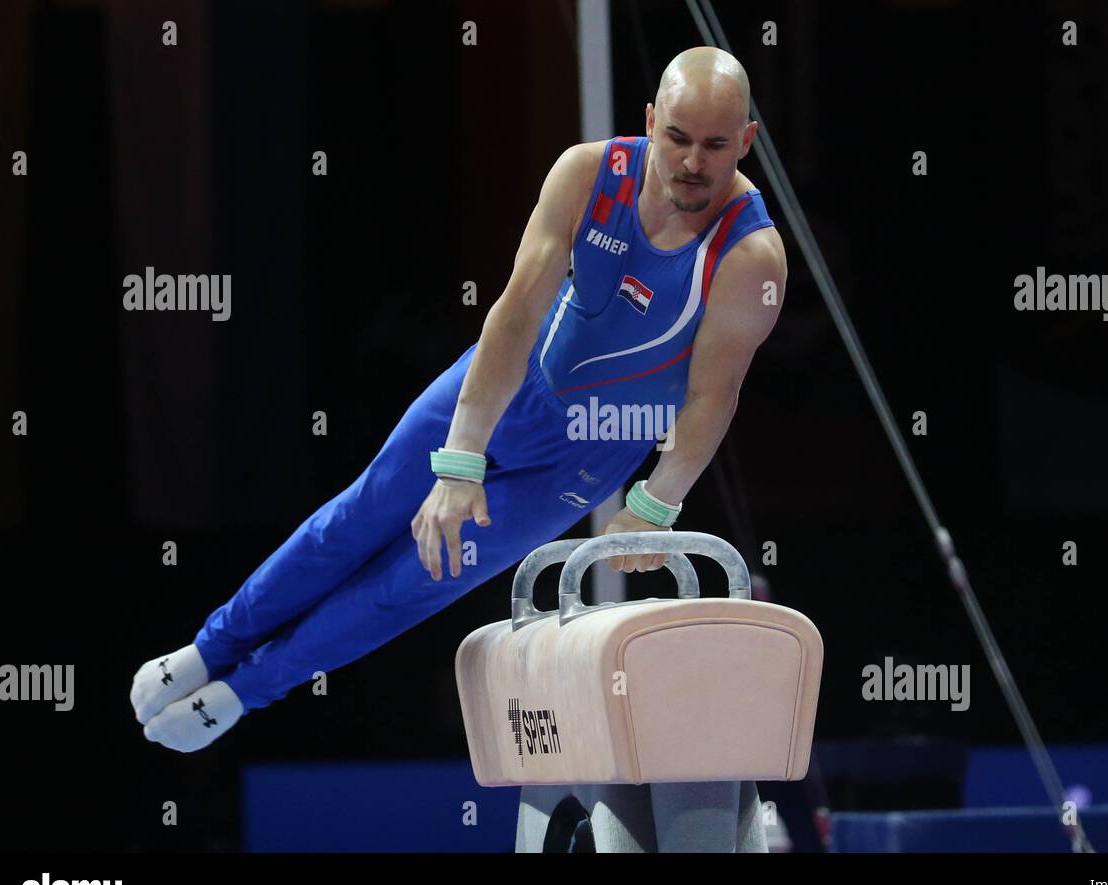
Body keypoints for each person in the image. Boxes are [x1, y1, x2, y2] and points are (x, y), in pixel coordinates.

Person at [131, 46, 787, 754]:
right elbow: (514, 314)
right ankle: (209, 648)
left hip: (584, 459)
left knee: (411, 584)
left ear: (746, 140)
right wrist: (461, 456)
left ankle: (240, 692)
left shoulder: (751, 259)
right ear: (651, 121)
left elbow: (713, 394)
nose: (693, 161)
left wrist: (655, 502)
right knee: (353, 521)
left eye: (716, 145)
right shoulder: (589, 173)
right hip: (504, 385)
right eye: (678, 138)